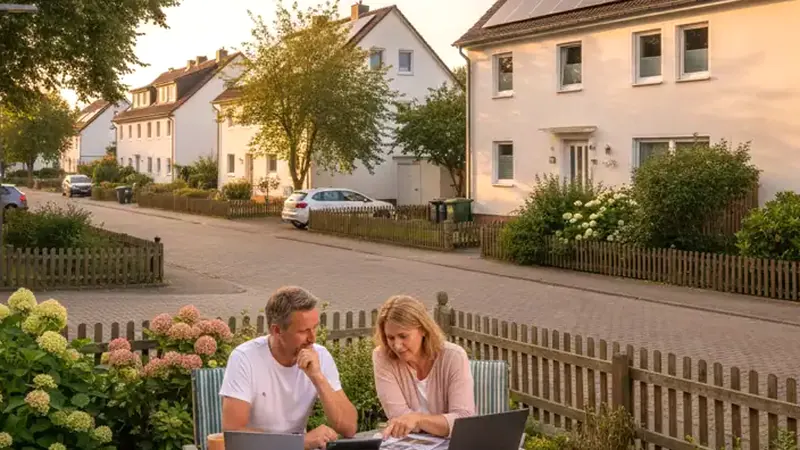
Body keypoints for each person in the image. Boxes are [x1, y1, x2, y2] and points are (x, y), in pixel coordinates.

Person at [220, 286, 357, 450]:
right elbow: (235, 436)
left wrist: (318, 377)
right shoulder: (245, 358)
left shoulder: (320, 356)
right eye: (304, 331)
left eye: (315, 327)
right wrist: (301, 442)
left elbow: (349, 428)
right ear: (276, 330)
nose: (312, 338)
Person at [372, 295, 475, 439]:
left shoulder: (454, 357)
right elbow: (398, 416)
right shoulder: (382, 357)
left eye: (403, 336)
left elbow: (463, 420)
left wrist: (418, 419)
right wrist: (441, 423)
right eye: (390, 338)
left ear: (423, 330)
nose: (397, 345)